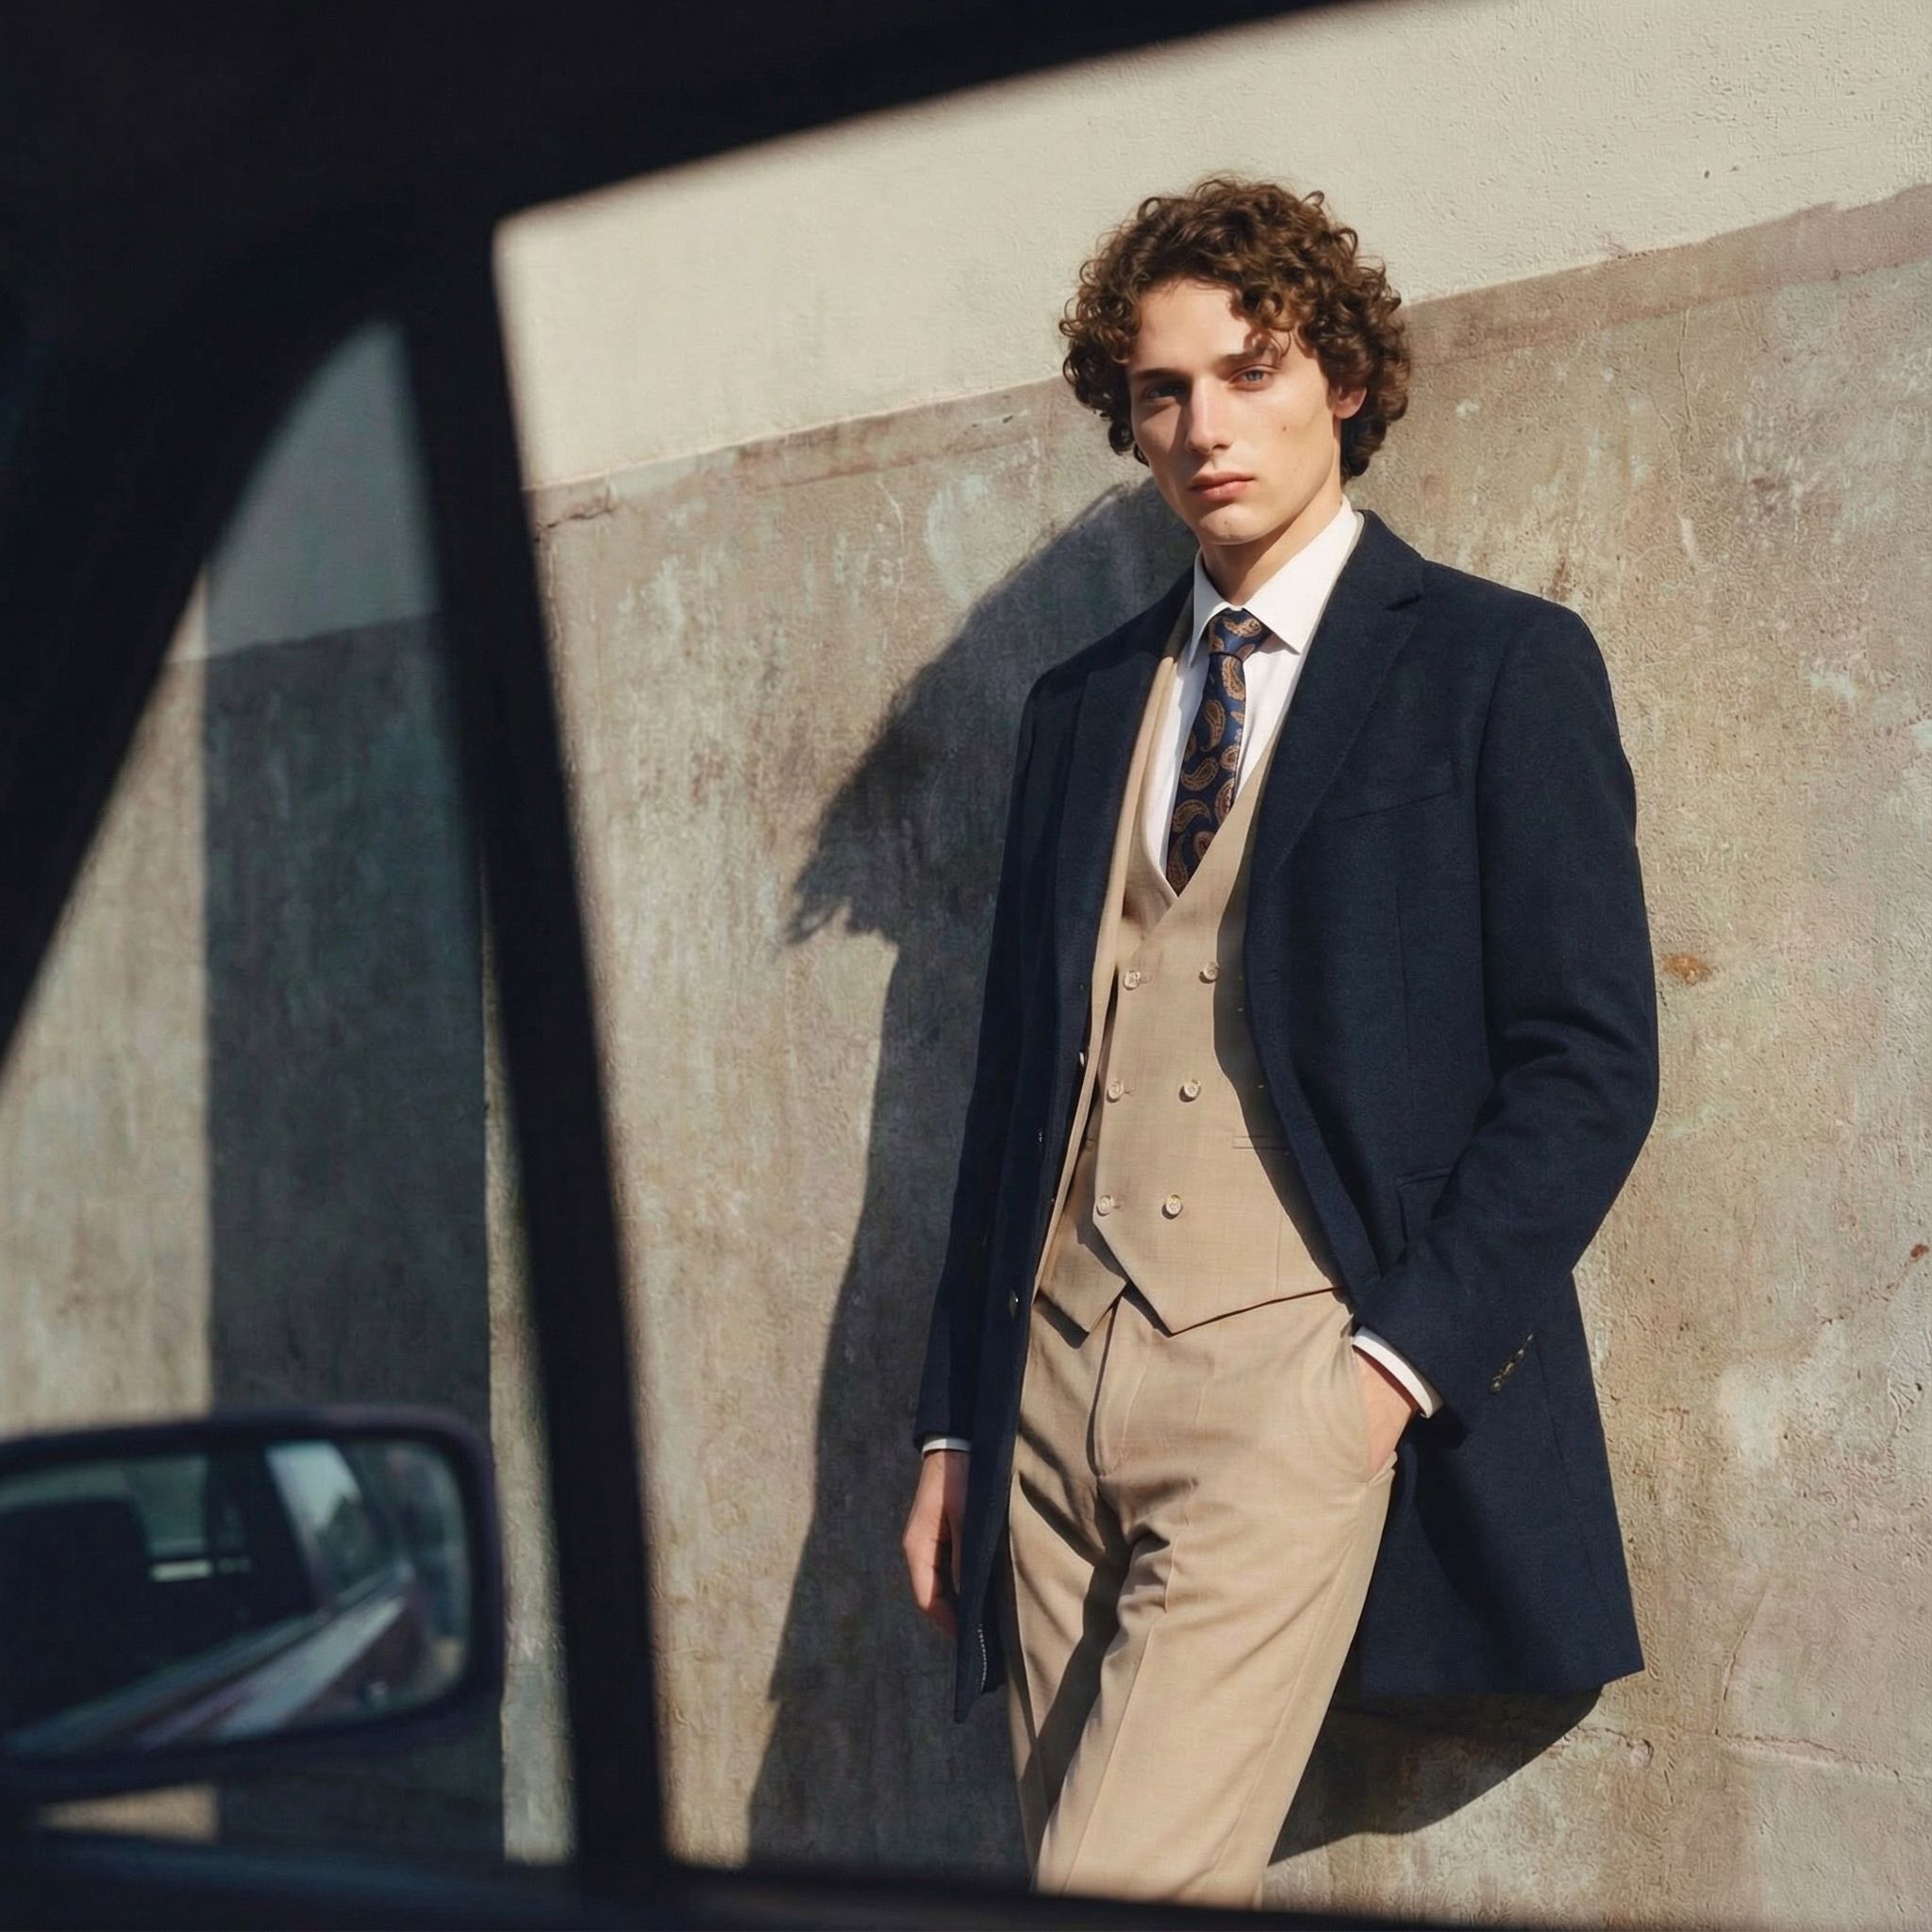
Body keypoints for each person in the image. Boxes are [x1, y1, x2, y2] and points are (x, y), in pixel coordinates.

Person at [900, 174, 1658, 1908]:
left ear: (1349, 383)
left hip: (1289, 1388)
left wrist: (1380, 1382)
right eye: (1162, 392)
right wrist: (955, 1420)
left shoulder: (1495, 666)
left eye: (1250, 372)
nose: (1203, 427)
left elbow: (1590, 1061)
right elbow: (1015, 1083)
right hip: (1047, 1396)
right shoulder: (1082, 704)